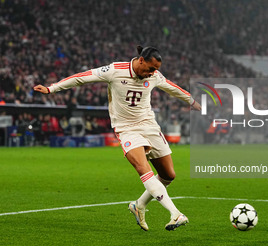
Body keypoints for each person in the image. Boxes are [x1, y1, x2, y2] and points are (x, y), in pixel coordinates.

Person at [34, 45, 201, 231]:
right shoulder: (114, 70)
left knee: (168, 175)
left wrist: (193, 102)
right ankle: (175, 214)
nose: (152, 73)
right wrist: (52, 89)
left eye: (156, 70)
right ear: (141, 60)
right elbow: (82, 77)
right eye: (150, 68)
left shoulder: (154, 76)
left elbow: (173, 89)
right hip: (126, 129)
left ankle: (138, 205)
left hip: (149, 126)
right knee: (142, 167)